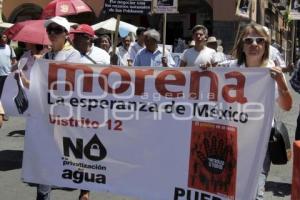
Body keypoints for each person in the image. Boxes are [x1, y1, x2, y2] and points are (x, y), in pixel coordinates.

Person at [231, 23, 292, 200]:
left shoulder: (272, 72)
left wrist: (281, 83)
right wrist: (204, 71)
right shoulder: (229, 68)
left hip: (261, 141)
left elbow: (287, 106)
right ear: (242, 45)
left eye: (260, 41)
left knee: (255, 191)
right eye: (248, 40)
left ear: (266, 46)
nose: (254, 44)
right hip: (232, 139)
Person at [35, 16, 81, 200]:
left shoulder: (74, 55)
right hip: (46, 115)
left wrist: (45, 66)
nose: (52, 34)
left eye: (57, 30)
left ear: (66, 34)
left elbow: (68, 83)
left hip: (65, 115)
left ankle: (83, 190)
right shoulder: (47, 55)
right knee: (43, 158)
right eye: (49, 31)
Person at [0, 33, 17, 98]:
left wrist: (15, 70)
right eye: (3, 37)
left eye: (5, 37)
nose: (4, 39)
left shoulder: (10, 48)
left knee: (7, 93)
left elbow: (14, 60)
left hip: (7, 74)